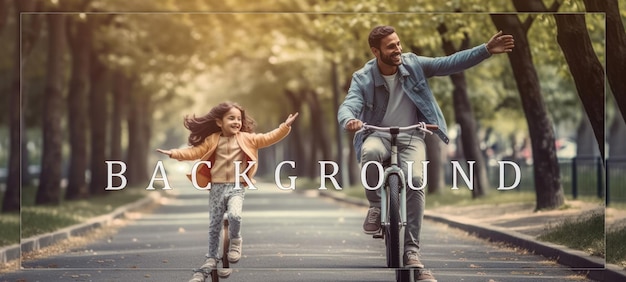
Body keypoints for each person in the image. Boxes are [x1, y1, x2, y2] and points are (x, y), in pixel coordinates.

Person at [337, 25, 514, 281]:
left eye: (398, 43)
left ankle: (411, 250)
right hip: (377, 134)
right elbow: (349, 104)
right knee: (369, 152)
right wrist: (350, 120)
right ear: (376, 51)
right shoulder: (363, 77)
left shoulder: (414, 64)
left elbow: (449, 63)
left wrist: (486, 50)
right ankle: (375, 205)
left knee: (417, 181)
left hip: (411, 136)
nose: (398, 49)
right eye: (391, 47)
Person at [157, 101, 298, 279]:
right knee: (214, 226)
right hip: (216, 188)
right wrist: (174, 153)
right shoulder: (212, 139)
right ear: (219, 122)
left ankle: (236, 241)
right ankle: (211, 257)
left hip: (237, 186)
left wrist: (284, 127)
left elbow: (268, 137)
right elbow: (194, 152)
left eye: (239, 119)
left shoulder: (248, 138)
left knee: (235, 215)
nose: (236, 122)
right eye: (231, 118)